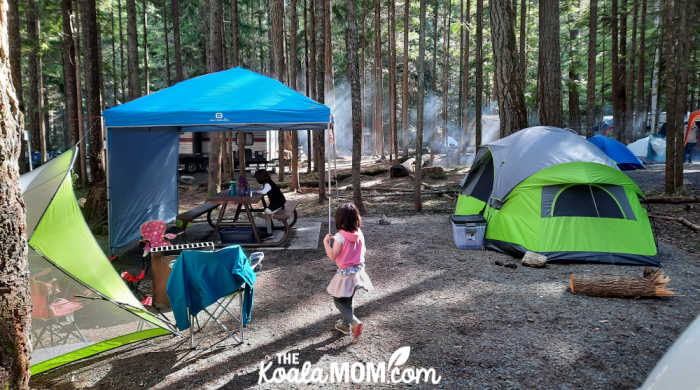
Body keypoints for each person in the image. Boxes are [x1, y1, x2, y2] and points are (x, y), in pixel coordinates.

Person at [323, 203, 374, 340]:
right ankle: (345, 325)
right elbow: (363, 251)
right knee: (347, 299)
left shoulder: (339, 237)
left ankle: (354, 322)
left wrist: (326, 243)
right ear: (355, 218)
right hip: (358, 272)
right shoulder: (359, 233)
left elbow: (333, 256)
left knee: (338, 301)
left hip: (345, 274)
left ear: (339, 219)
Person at [253, 169, 285, 234]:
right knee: (266, 212)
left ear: (261, 178)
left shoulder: (268, 184)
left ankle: (269, 232)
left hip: (278, 203)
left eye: (257, 179)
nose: (257, 180)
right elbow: (264, 190)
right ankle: (268, 223)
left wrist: (254, 191)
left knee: (266, 213)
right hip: (278, 202)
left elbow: (263, 192)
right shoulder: (269, 182)